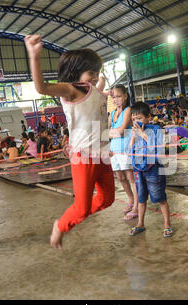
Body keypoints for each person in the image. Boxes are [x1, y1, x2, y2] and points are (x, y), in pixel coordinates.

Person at [25, 35, 115, 249]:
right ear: (76, 73)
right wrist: (34, 56)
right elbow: (41, 87)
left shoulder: (94, 90)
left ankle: (71, 217)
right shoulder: (72, 90)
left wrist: (101, 84)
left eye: (97, 72)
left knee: (106, 200)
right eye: (91, 72)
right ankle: (61, 225)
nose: (95, 77)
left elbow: (97, 92)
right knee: (81, 209)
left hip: (102, 155)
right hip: (83, 157)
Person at [126, 102, 172, 238]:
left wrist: (142, 134)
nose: (136, 122)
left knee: (160, 197)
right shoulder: (132, 132)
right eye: (133, 119)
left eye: (139, 118)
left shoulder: (156, 129)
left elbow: (155, 147)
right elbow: (129, 151)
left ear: (148, 117)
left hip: (154, 168)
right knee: (140, 197)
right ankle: (140, 223)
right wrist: (134, 136)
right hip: (138, 168)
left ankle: (167, 224)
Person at [108, 84, 139, 220]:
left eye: (119, 96)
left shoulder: (128, 110)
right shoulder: (113, 113)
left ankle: (137, 206)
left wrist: (109, 133)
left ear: (125, 96)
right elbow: (105, 131)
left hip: (125, 150)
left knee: (131, 178)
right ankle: (131, 200)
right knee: (120, 177)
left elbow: (121, 132)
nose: (116, 99)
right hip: (114, 151)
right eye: (114, 97)